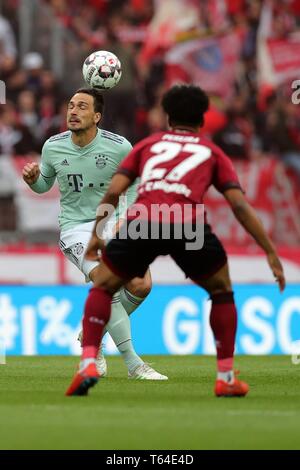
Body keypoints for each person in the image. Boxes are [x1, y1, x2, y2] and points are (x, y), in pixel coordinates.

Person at [65, 84, 286, 397]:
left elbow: (114, 191)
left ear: (167, 116)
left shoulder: (147, 146)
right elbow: (239, 205)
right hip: (187, 226)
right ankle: (225, 377)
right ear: (203, 119)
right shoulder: (212, 152)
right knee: (222, 291)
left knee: (103, 286)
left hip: (143, 222)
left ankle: (88, 361)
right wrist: (270, 251)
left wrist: (97, 235)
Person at [22, 87, 167, 380]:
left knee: (141, 285)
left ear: (97, 116)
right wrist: (34, 180)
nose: (73, 112)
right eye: (71, 106)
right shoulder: (53, 146)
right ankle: (134, 365)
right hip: (76, 228)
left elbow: (136, 185)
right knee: (106, 282)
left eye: (82, 107)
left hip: (112, 223)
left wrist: (125, 219)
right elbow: (44, 185)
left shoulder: (119, 146)